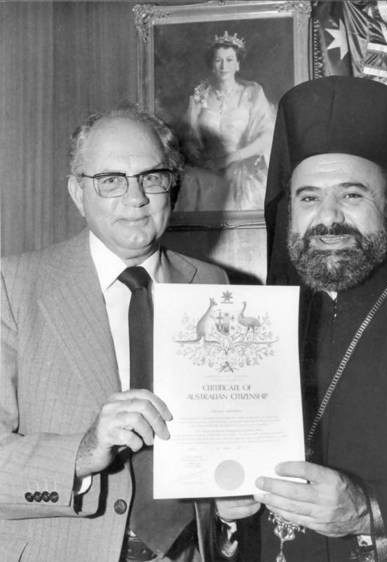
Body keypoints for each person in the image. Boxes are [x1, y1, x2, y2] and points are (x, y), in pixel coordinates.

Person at [0, 107, 260, 562]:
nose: (135, 198)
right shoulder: (14, 286)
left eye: (152, 177)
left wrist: (231, 498)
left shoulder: (214, 284)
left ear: (172, 188)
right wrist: (83, 452)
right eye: (110, 180)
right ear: (78, 193)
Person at [218, 77, 387, 561]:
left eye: (351, 195)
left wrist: (370, 509)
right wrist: (223, 504)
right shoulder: (249, 322)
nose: (328, 218)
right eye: (308, 198)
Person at [176, 31, 275, 212]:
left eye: (229, 60)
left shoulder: (252, 93)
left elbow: (267, 136)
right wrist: (192, 111)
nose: (223, 66)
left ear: (238, 64)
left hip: (242, 170)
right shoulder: (201, 94)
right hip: (206, 170)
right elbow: (187, 137)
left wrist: (231, 159)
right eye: (218, 60)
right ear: (211, 65)